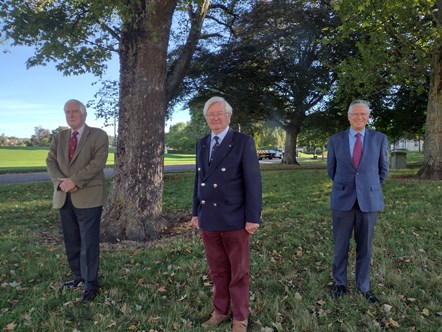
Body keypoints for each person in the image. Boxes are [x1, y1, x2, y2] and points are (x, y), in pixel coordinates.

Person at [191, 96, 262, 332]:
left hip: (235, 219)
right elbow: (199, 180)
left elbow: (253, 183)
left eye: (219, 114)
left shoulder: (242, 141)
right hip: (209, 218)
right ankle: (220, 311)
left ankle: (240, 316)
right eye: (210, 115)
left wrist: (253, 217)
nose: (215, 118)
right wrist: (195, 211)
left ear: (229, 116)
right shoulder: (202, 143)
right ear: (206, 118)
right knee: (217, 270)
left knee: (239, 272)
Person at [46, 99, 109, 302]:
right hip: (64, 196)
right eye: (67, 112)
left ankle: (91, 284)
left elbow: (97, 163)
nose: (71, 115)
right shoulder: (59, 137)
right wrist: (61, 182)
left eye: (74, 111)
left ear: (84, 114)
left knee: (88, 243)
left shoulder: (98, 135)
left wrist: (75, 181)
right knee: (72, 241)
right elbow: (51, 161)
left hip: (88, 197)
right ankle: (78, 277)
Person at [327, 100, 389, 304]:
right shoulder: (335, 140)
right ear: (348, 116)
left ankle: (363, 286)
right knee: (340, 245)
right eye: (355, 114)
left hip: (368, 201)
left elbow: (383, 170)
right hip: (343, 200)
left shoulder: (379, 139)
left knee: (365, 246)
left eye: (363, 114)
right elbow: (332, 170)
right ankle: (340, 284)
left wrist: (366, 187)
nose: (359, 117)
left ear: (369, 116)